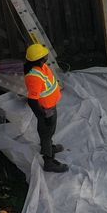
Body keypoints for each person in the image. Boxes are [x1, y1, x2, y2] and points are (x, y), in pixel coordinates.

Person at [23, 41, 67, 175]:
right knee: (46, 133)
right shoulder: (34, 76)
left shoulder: (41, 67)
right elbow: (32, 101)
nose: (47, 56)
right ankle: (49, 161)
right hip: (46, 109)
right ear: (40, 59)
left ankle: (49, 148)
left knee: (49, 131)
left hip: (50, 106)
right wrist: (43, 115)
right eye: (45, 55)